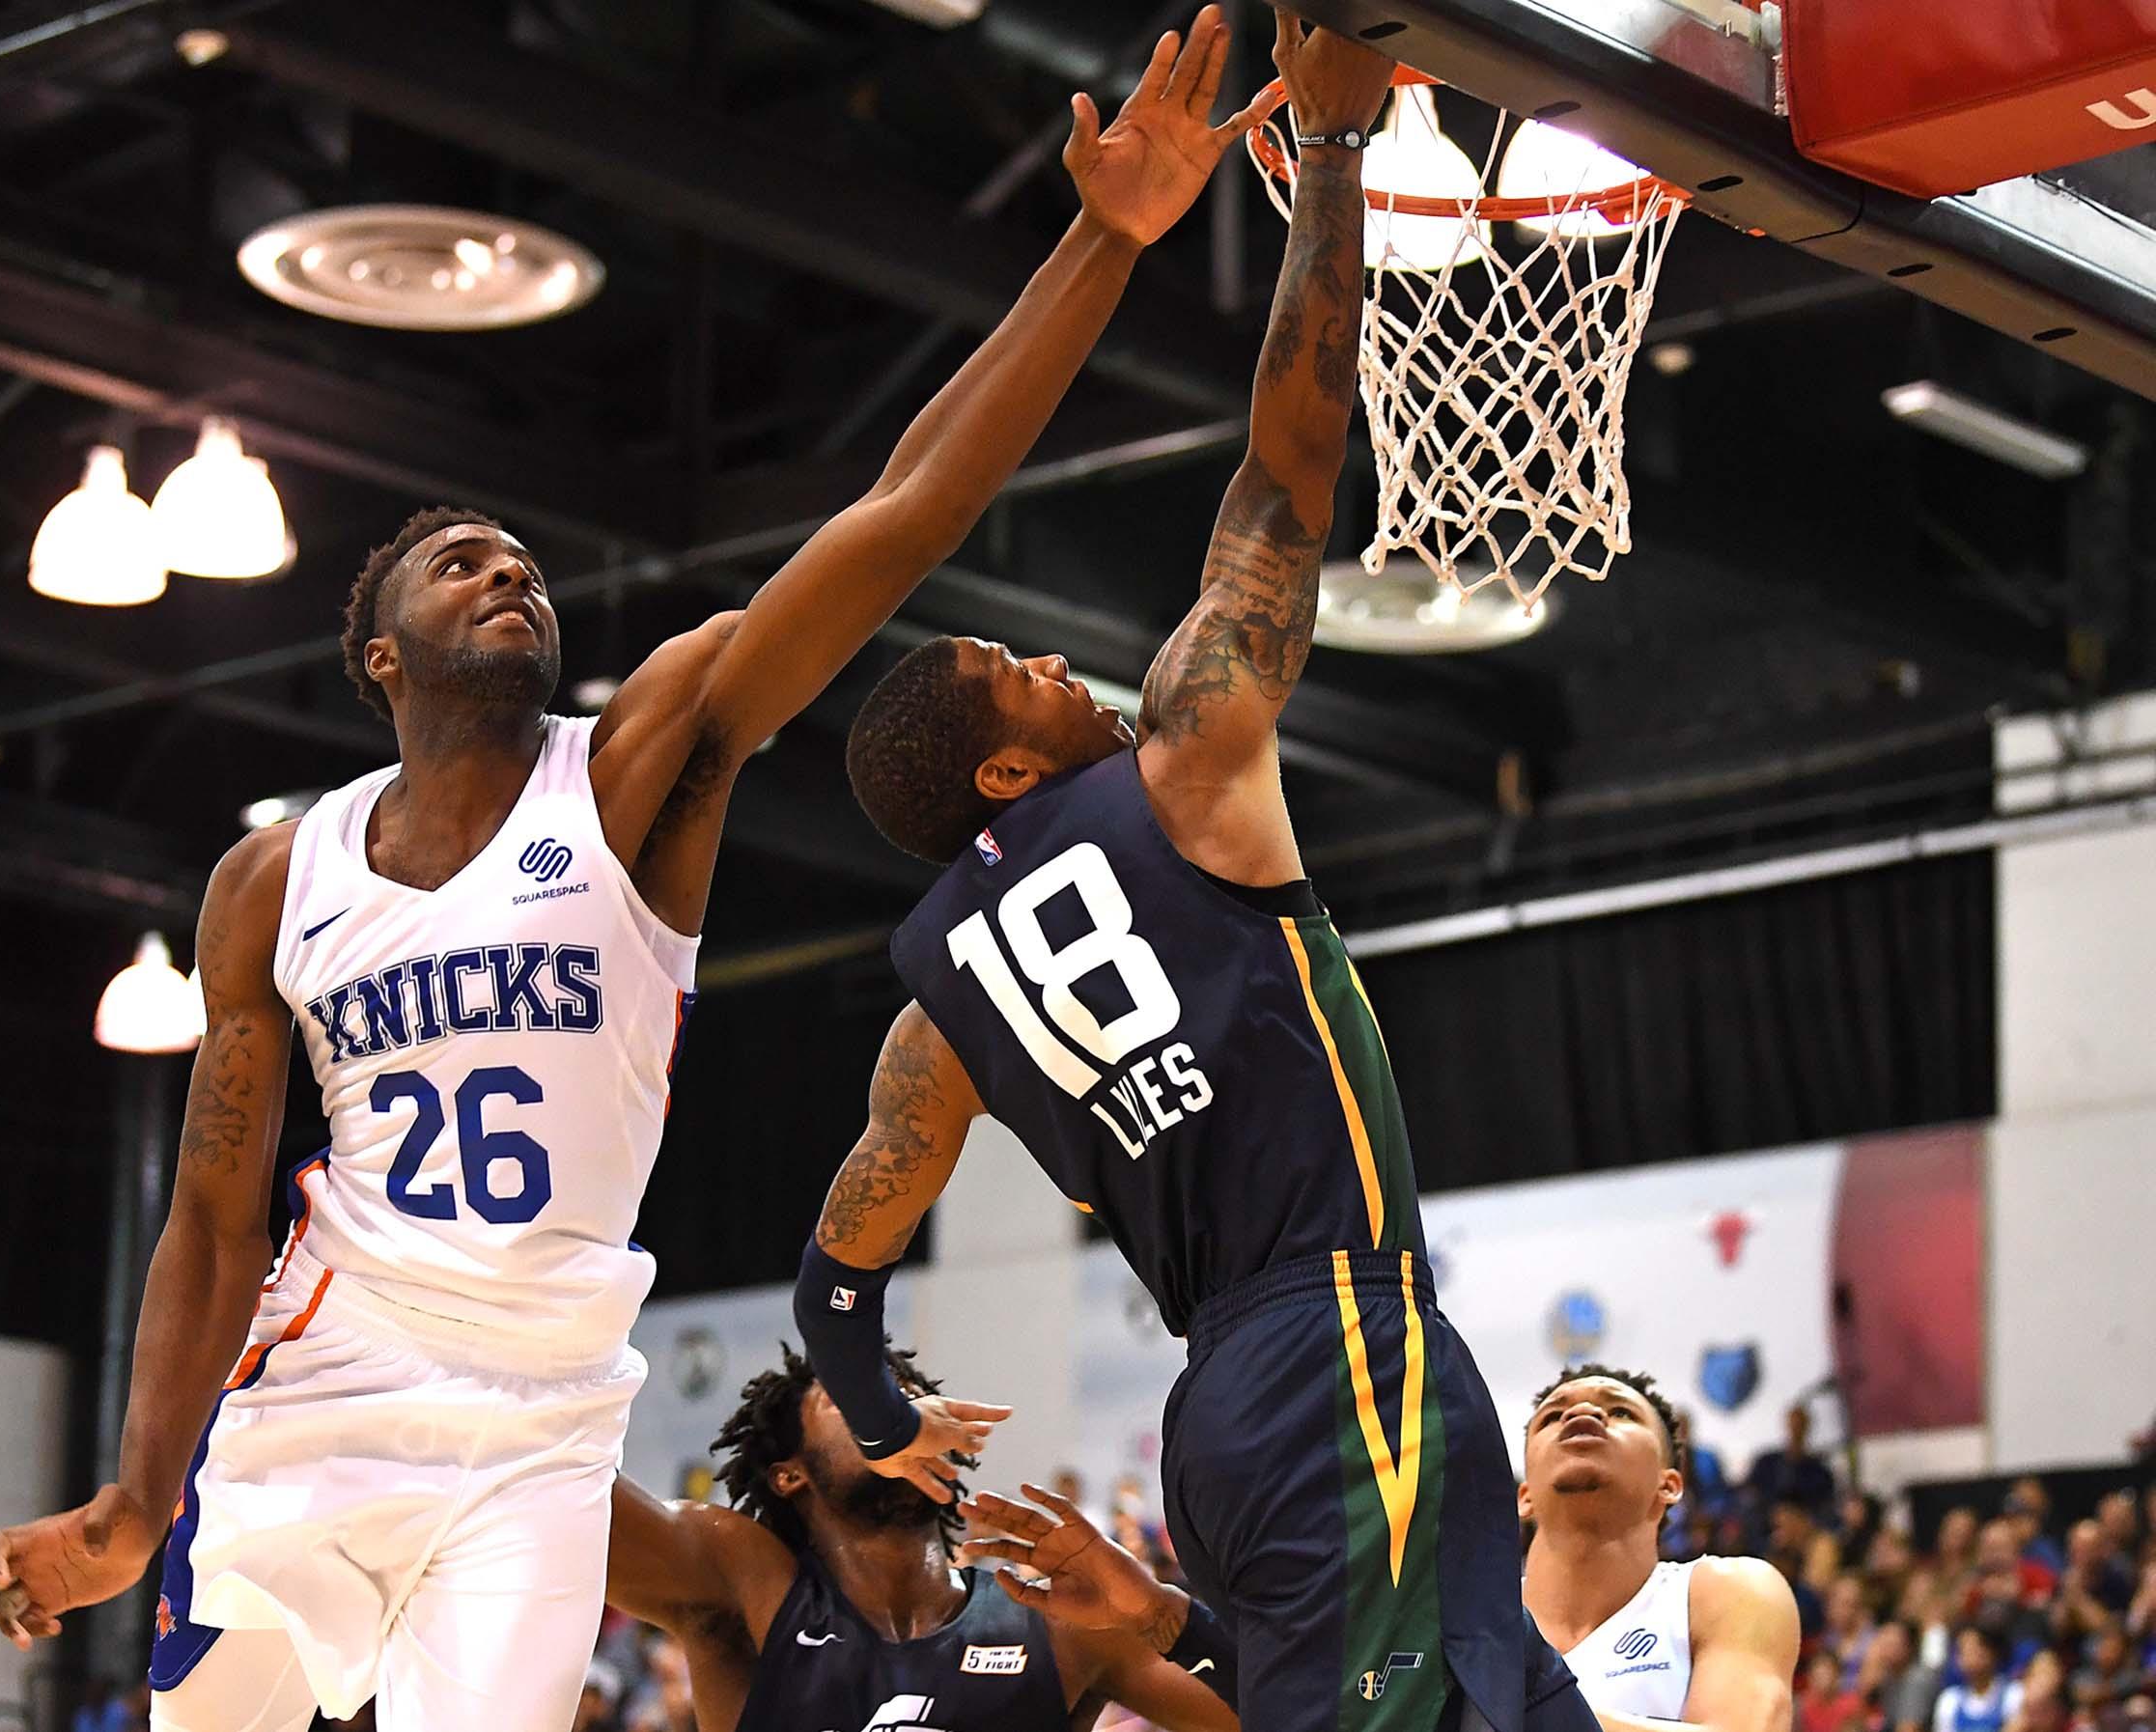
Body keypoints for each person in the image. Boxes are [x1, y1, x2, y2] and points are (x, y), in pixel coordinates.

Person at [0, 16, 1279, 1728]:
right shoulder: (276, 878)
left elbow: (899, 511)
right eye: (454, 562)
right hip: (328, 1387)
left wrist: (1105, 238)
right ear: (379, 653)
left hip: (544, 1414)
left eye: (517, 554)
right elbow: (213, 1207)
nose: (503, 565)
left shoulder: (645, 764)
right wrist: (134, 1499)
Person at [787, 16, 1602, 1732]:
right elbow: (1291, 459)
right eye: (1024, 673)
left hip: (1249, 1383)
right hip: (1335, 1349)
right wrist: (1331, 153)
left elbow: (837, 1270)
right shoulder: (1184, 750)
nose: (1066, 672)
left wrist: (875, 1406)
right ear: (1005, 765)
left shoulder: (936, 1015)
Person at [599, 1344, 1235, 1732]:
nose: (894, 1412)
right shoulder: (740, 1580)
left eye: (906, 1396)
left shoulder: (1063, 1625)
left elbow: (1304, 1715)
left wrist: (1162, 1614)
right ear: (788, 1474)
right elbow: (562, 1495)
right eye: (854, 1400)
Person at [1519, 1367, 1799, 1732]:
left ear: (1668, 1485)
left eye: (1621, 1413)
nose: (1581, 1413)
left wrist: (1517, 1710)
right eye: (1554, 1417)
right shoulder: (1464, 1615)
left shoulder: (1728, 1591)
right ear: (1524, 1497)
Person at [1744, 1405, 1838, 1528]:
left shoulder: (1820, 1472)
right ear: (1786, 1426)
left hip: (1803, 1529)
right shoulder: (1766, 1462)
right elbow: (1749, 1495)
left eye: (1799, 1426)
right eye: (1792, 1425)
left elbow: (1825, 1508)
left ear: (1806, 1428)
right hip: (1765, 1527)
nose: (1795, 1431)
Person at [1932, 1627, 2023, 1732]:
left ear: (1991, 1652)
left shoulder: (2014, 1694)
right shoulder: (1949, 1699)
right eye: (1962, 1651)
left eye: (1973, 1650)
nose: (1967, 1657)